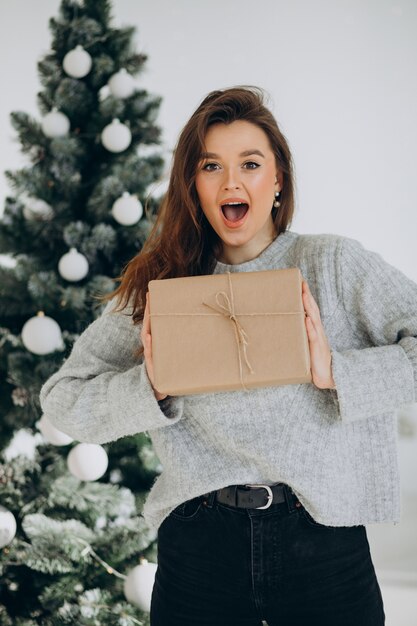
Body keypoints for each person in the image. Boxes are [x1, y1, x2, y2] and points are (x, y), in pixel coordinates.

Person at [40, 85, 417, 626]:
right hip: (199, 547)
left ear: (278, 180)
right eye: (211, 165)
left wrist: (339, 371)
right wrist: (151, 385)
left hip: (323, 541)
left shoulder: (332, 263)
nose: (231, 181)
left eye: (251, 163)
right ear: (193, 184)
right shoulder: (162, 285)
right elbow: (62, 400)